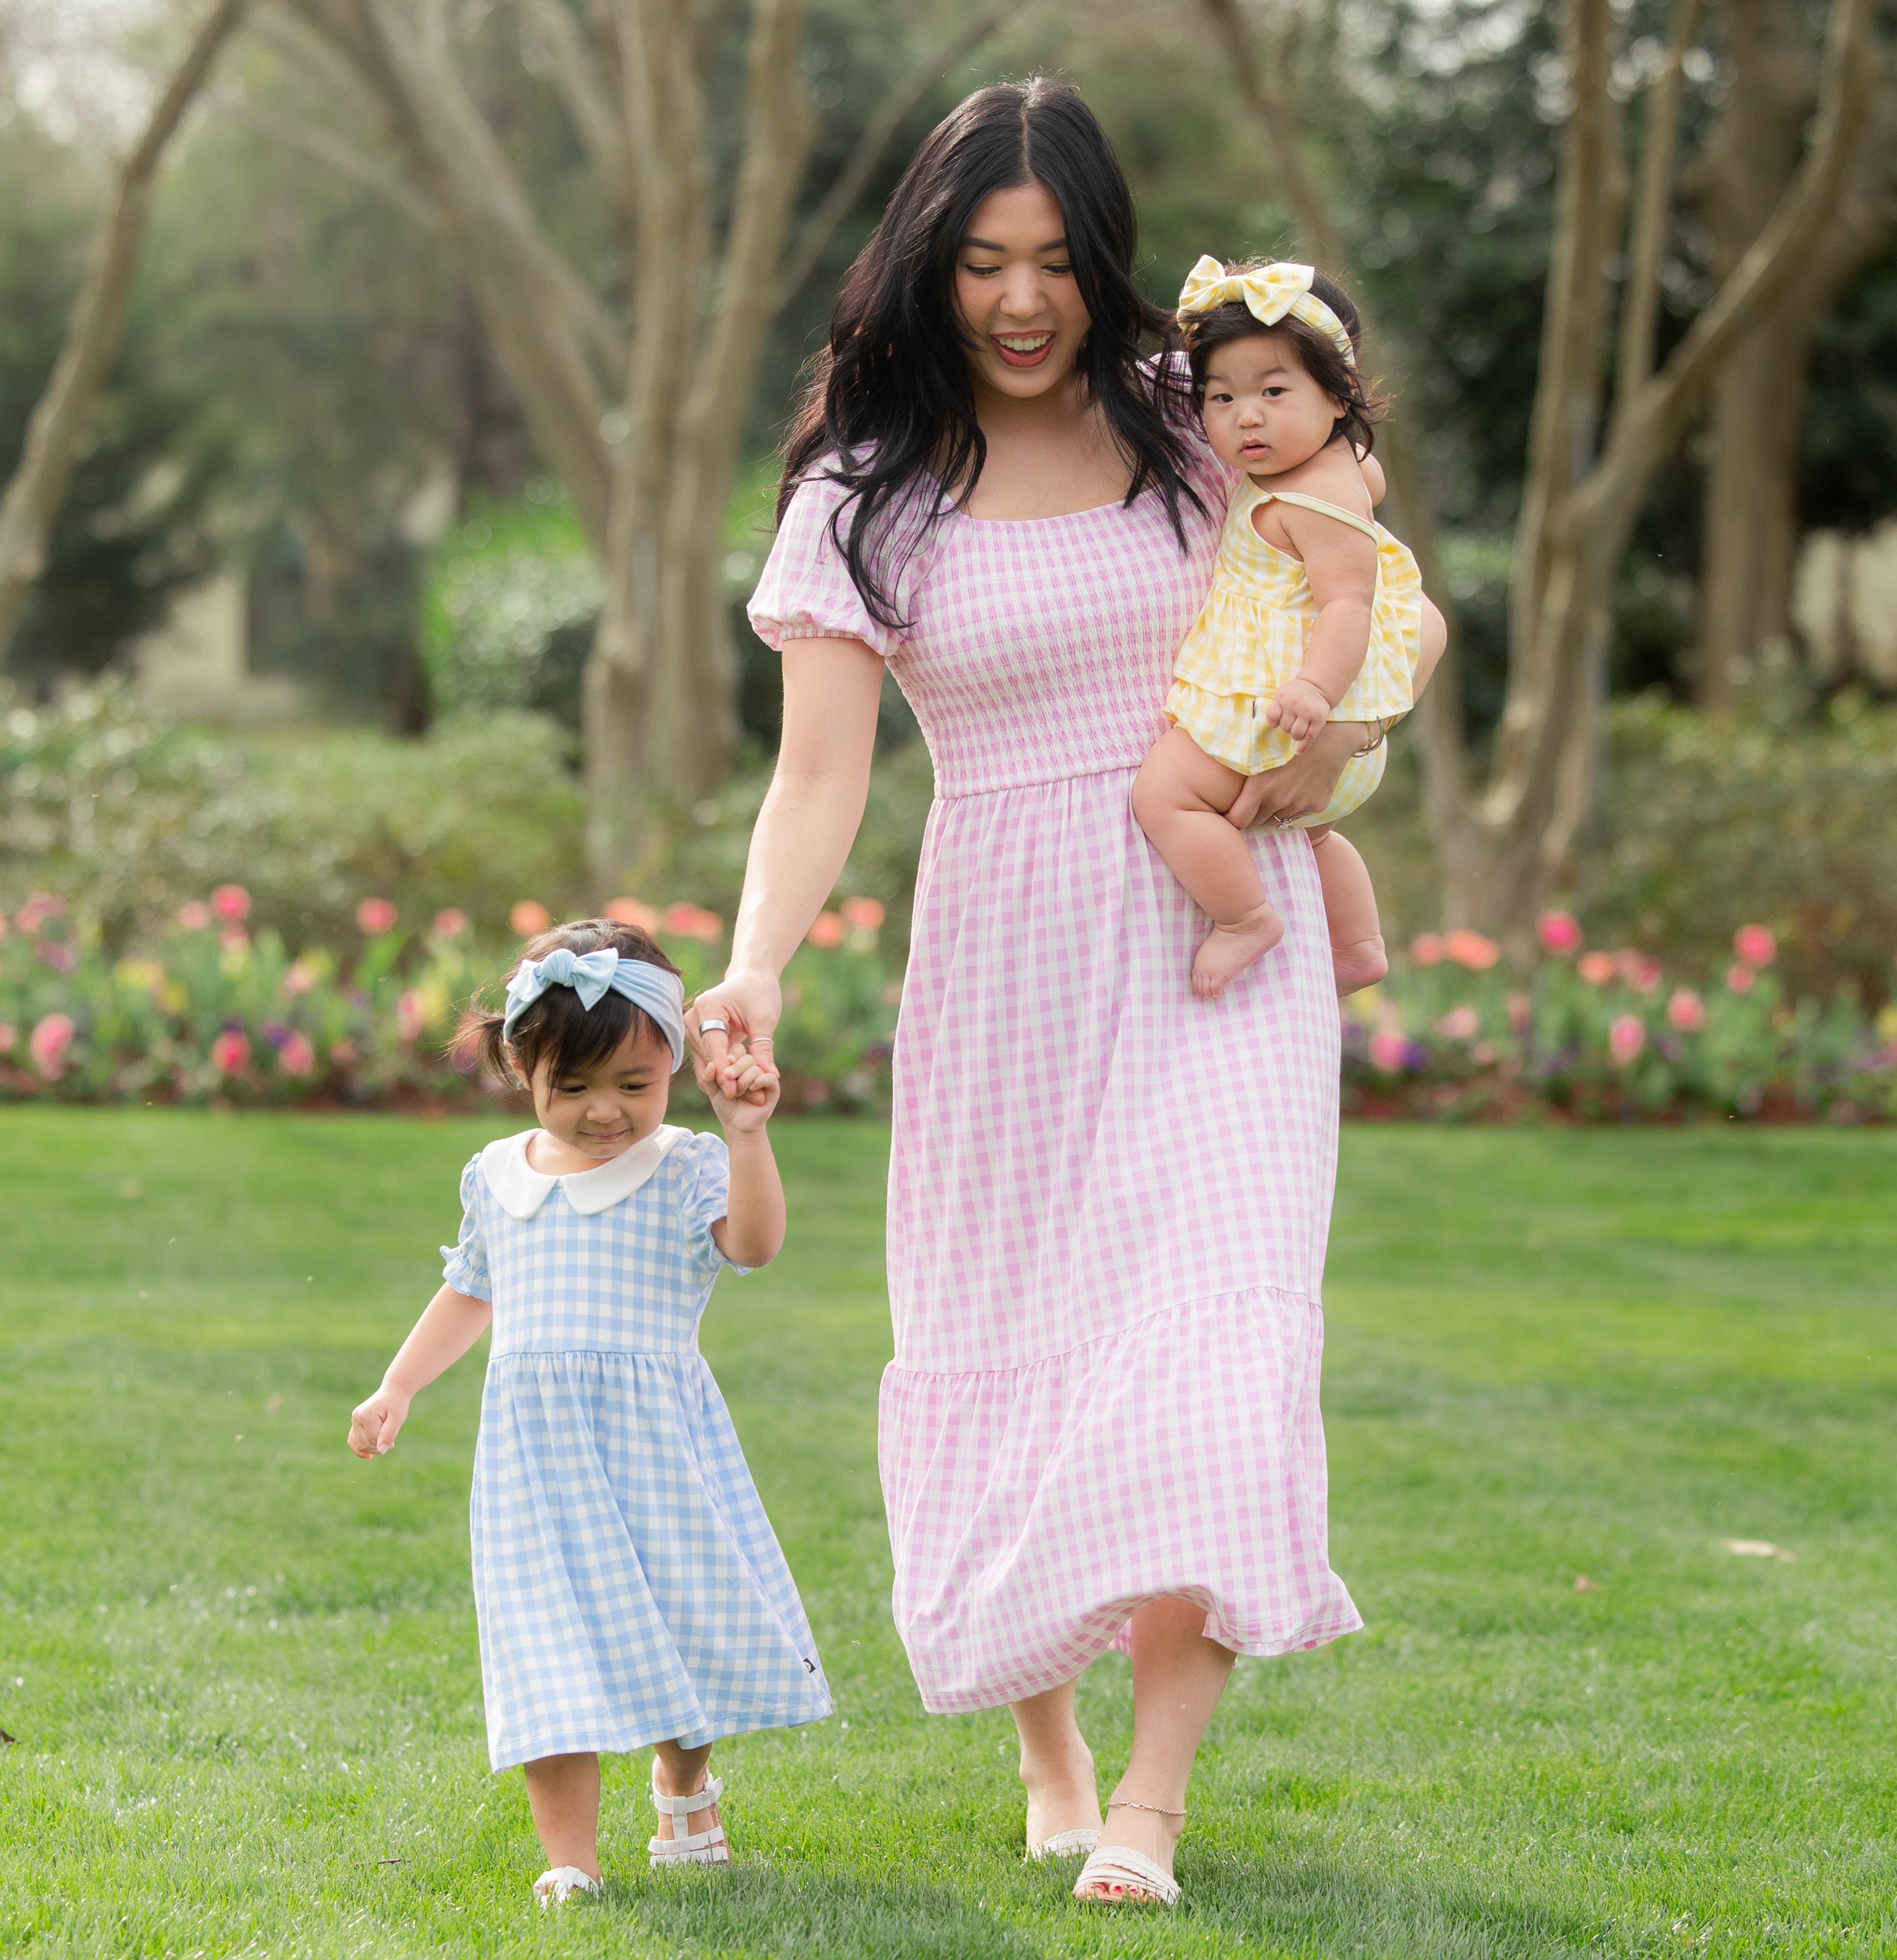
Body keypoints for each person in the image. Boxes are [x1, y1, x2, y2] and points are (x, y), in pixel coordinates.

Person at [694, 78, 1445, 1911]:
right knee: (1010, 1338)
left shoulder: (1203, 423)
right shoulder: (866, 493)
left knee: (1220, 1343)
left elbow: (1361, 563)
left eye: (1052, 260)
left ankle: (1150, 1809)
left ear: (1104, 263)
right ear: (925, 268)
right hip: (1006, 943)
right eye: (980, 262)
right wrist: (755, 960)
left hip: (1218, 928)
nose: (1020, 300)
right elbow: (819, 774)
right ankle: (1051, 1750)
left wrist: (1331, 739)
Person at [346, 919, 828, 1908]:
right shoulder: (496, 1176)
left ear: (674, 1070)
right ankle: (571, 1859)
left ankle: (684, 1789)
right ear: (522, 1067)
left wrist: (747, 1136)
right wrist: (398, 1385)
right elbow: (469, 1291)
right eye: (573, 1087)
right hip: (534, 1467)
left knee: (679, 1624)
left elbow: (753, 1245)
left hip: (655, 1454)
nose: (605, 1111)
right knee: (544, 1650)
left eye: (634, 1085)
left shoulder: (685, 1165)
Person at [1131, 257, 1425, 998]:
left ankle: (1245, 919)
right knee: (1315, 832)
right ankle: (1358, 946)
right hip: (1316, 727)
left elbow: (1350, 603)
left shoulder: (1315, 499)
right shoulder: (1332, 465)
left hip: (1285, 715)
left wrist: (1315, 689)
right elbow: (1366, 470)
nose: (1247, 417)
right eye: (1221, 397)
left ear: (1339, 393)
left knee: (1164, 795)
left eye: (1272, 392)